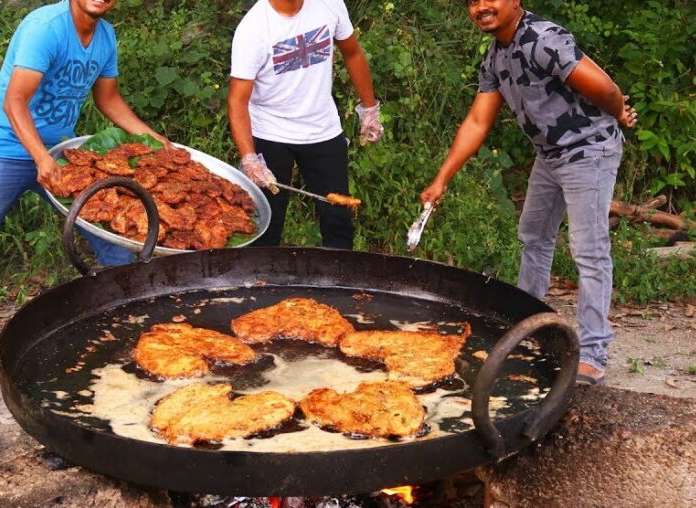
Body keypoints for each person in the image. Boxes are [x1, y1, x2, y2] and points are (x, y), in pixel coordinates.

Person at [0, 0, 169, 396]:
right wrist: (39, 157)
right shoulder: (45, 28)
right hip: (1, 149)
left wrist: (155, 141)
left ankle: (131, 336)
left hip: (62, 155)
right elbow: (14, 102)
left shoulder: (106, 37)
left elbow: (109, 99)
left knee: (113, 241)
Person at [420, 0, 638, 385]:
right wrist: (442, 179)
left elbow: (602, 84)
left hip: (588, 150)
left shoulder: (542, 38)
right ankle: (526, 325)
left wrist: (619, 111)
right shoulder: (495, 56)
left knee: (589, 251)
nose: (481, 7)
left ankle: (592, 352)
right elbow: (476, 121)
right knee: (534, 237)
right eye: (472, 1)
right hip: (550, 156)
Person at [228, 0, 383, 249]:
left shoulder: (329, 4)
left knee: (339, 220)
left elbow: (352, 52)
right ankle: (261, 284)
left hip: (323, 129)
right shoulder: (254, 28)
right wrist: (249, 158)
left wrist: (369, 108)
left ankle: (339, 283)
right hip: (270, 133)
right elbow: (237, 101)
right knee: (265, 227)